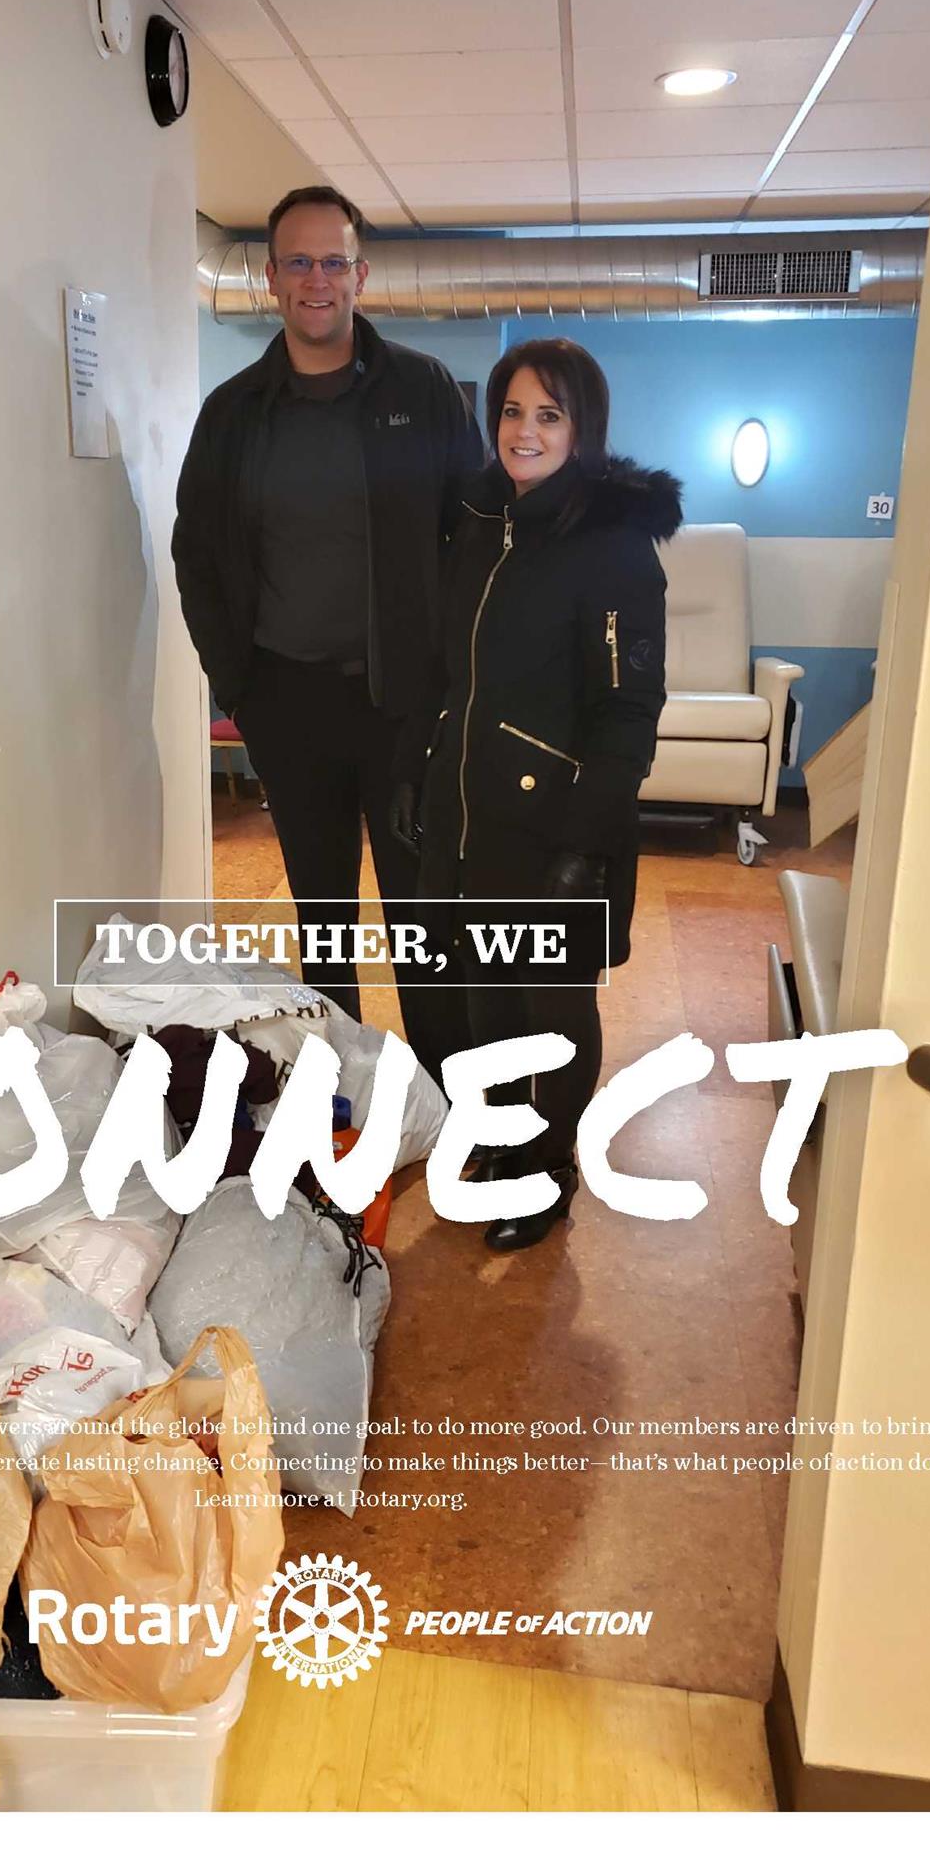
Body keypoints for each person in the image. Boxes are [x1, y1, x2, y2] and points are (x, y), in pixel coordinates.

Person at [173, 186, 483, 1082]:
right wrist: (238, 686)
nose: (318, 279)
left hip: (405, 709)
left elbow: (472, 540)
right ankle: (342, 1095)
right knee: (324, 918)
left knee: (424, 917)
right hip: (288, 704)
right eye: (300, 262)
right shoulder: (234, 413)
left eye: (334, 261)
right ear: (272, 277)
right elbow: (197, 554)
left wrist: (454, 687)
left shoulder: (422, 390)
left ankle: (448, 1094)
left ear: (361, 274)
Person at [391, 339, 678, 1251]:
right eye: (513, 411)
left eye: (549, 415)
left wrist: (584, 846)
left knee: (551, 1009)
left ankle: (549, 1171)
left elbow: (629, 711)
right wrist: (420, 772)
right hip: (471, 814)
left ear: (583, 427)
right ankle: (506, 1140)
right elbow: (450, 674)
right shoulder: (481, 523)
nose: (525, 431)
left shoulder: (615, 545)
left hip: (557, 825)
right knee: (487, 997)